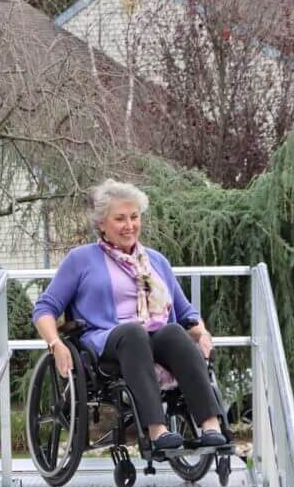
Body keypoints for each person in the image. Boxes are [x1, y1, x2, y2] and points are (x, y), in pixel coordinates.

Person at [32, 179, 227, 452]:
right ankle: (157, 431)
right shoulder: (81, 259)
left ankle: (210, 425)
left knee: (173, 331)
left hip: (155, 336)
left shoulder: (156, 261)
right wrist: (56, 344)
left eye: (134, 217)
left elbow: (186, 313)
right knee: (134, 332)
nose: (129, 225)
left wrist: (202, 333)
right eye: (120, 219)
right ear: (102, 223)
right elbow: (44, 309)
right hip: (106, 341)